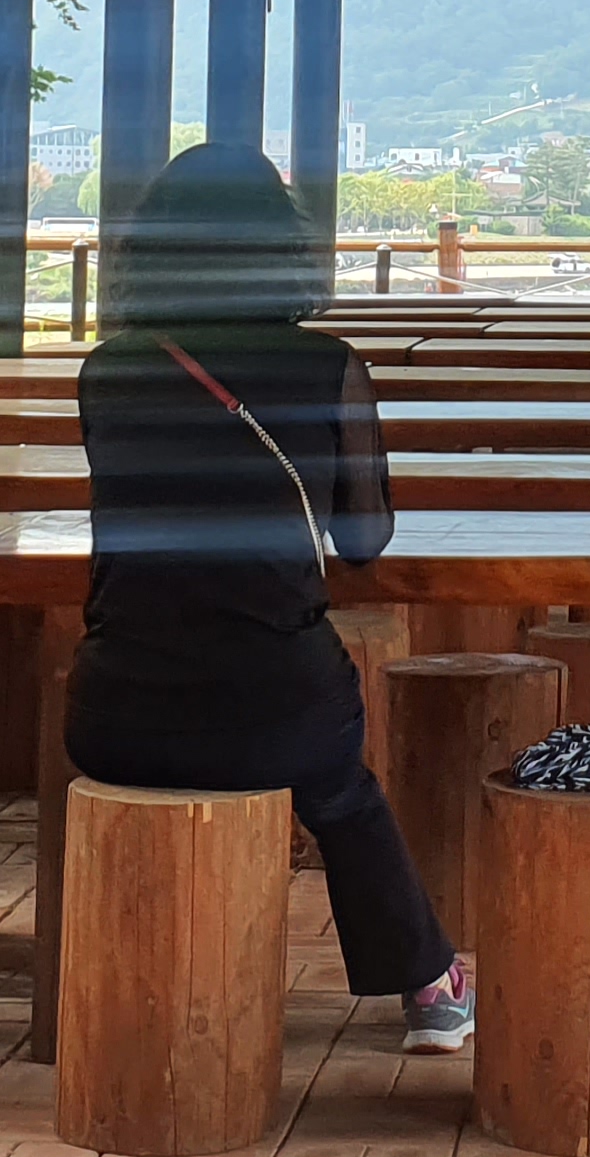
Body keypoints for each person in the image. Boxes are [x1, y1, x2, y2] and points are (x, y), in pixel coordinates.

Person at [66, 142, 471, 1052]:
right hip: (274, 707)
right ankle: (430, 988)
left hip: (117, 707)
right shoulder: (328, 367)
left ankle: (100, 990)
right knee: (341, 792)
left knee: (282, 745)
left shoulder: (106, 370)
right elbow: (363, 542)